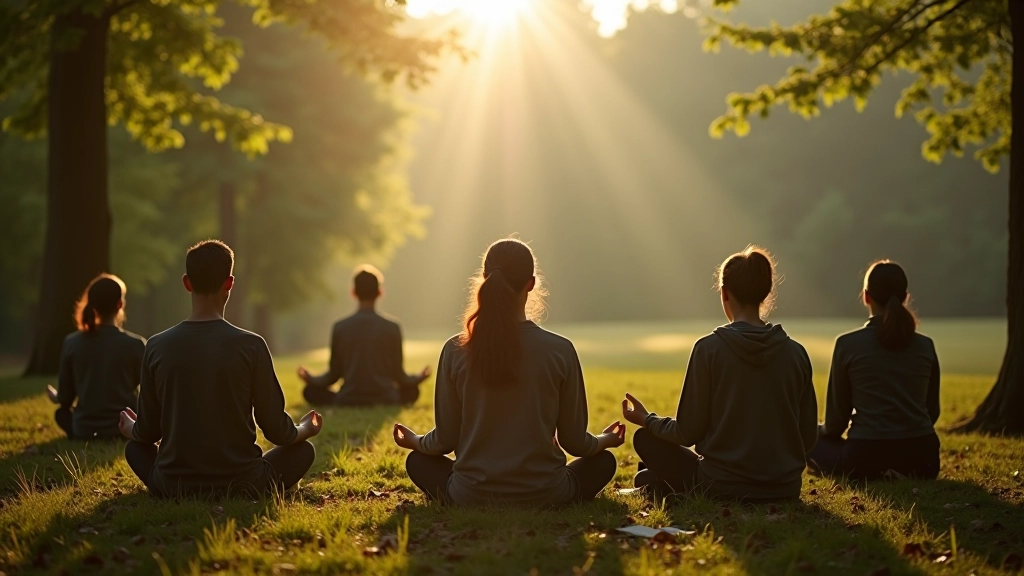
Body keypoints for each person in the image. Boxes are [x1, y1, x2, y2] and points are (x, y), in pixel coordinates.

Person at [391, 238, 625, 507]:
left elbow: (443, 440)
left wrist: (416, 442)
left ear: (484, 278)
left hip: (470, 495)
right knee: (604, 461)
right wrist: (605, 439)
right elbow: (576, 443)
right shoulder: (560, 350)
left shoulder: (455, 350)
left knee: (418, 461)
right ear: (531, 283)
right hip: (548, 494)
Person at [119, 240, 322, 497]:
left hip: (174, 485)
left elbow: (147, 433)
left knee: (134, 449)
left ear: (186, 283)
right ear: (229, 283)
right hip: (245, 483)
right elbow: (278, 431)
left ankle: (173, 485)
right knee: (304, 450)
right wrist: (306, 429)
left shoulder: (157, 346)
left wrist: (130, 429)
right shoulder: (252, 345)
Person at [622, 246, 818, 502]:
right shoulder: (796, 353)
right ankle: (654, 482)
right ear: (766, 292)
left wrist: (647, 419)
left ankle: (656, 483)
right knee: (648, 474)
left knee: (646, 440)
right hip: (784, 489)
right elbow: (808, 436)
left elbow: (687, 432)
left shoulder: (708, 349)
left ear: (724, 293)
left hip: (720, 486)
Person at [807, 261, 941, 480]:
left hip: (865, 458)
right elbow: (931, 411)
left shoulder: (847, 345)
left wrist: (818, 431)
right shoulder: (925, 346)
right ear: (905, 297)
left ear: (866, 296)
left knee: (807, 437)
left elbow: (835, 424)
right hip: (923, 458)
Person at [298, 265, 431, 407]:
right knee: (412, 391)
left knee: (310, 391)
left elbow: (333, 374)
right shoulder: (392, 327)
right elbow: (398, 375)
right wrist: (417, 378)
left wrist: (312, 379)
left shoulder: (340, 327)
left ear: (353, 292)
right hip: (386, 398)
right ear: (380, 292)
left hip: (348, 399)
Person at [45, 274, 145, 440]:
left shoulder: (72, 342)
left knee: (61, 414)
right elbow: (150, 393)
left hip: (84, 429)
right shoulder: (136, 344)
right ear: (120, 304)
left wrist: (57, 396)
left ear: (92, 305)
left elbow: (65, 399)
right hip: (126, 428)